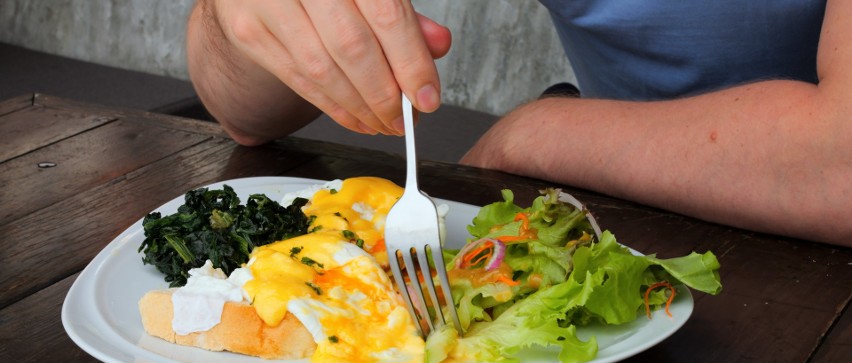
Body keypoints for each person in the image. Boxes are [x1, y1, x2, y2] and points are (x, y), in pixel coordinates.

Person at [186, 0, 851, 247]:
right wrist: (250, 17)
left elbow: (840, 165)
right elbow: (240, 109)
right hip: (617, 236)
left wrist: (534, 134)